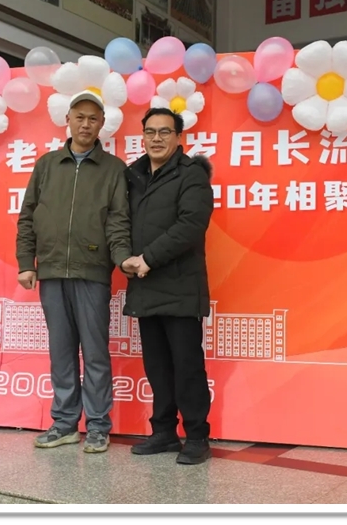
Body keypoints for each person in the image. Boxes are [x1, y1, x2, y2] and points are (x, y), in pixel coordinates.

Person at [15, 90, 133, 454]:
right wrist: (26, 263)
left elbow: (118, 221)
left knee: (95, 352)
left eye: (93, 119)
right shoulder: (47, 165)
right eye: (79, 117)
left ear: (102, 125)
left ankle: (97, 426)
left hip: (92, 272)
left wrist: (122, 259)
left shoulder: (114, 170)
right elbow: (27, 216)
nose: (85, 124)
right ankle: (65, 423)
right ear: (67, 120)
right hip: (51, 272)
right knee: (61, 351)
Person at [120, 107, 215, 465]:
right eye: (150, 132)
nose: (156, 138)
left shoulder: (191, 175)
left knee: (187, 366)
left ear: (178, 137)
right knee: (157, 366)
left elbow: (191, 225)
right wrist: (124, 258)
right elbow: (119, 220)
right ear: (142, 136)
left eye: (164, 132)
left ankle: (197, 436)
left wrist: (148, 258)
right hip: (145, 287)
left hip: (180, 287)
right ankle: (163, 432)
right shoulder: (133, 175)